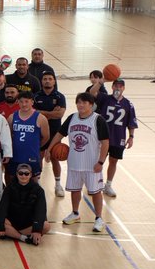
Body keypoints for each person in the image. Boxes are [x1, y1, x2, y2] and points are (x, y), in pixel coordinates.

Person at [45, 93, 109, 232]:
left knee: (96, 192)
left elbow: (105, 142)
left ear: (91, 105)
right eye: (78, 102)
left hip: (92, 165)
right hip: (74, 163)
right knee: (75, 190)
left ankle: (99, 218)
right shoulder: (72, 118)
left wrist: (101, 162)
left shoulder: (98, 120)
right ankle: (75, 213)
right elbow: (59, 134)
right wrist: (49, 149)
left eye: (84, 102)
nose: (81, 105)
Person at [90, 78, 137, 197]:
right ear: (112, 87)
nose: (118, 88)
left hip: (118, 137)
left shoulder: (128, 104)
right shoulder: (105, 98)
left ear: (123, 88)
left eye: (120, 86)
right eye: (116, 85)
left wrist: (131, 137)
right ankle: (94, 183)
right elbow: (92, 92)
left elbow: (131, 122)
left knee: (113, 161)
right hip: (102, 137)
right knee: (98, 160)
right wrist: (101, 82)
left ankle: (108, 185)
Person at [0, 163, 51, 246]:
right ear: (17, 174)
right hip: (12, 221)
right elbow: (2, 207)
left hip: (29, 223)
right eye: (21, 173)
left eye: (26, 173)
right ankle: (23, 237)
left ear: (30, 175)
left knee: (46, 226)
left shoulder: (38, 190)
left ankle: (12, 233)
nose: (23, 176)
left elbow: (41, 211)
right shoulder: (9, 188)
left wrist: (37, 230)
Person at [34, 71, 67, 196]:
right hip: (39, 132)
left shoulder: (60, 97)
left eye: (50, 79)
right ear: (41, 81)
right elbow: (33, 113)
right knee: (39, 157)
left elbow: (60, 114)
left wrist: (42, 113)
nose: (47, 81)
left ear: (54, 81)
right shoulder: (36, 96)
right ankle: (37, 184)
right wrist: (52, 113)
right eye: (45, 79)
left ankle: (58, 185)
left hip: (55, 132)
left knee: (55, 158)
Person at [7, 91, 50, 185]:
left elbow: (46, 137)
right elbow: (8, 136)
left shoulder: (41, 118)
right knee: (13, 182)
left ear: (32, 102)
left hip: (32, 156)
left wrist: (36, 146)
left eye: (26, 101)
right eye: (21, 101)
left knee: (33, 182)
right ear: (18, 102)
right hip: (15, 155)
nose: (24, 104)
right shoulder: (12, 117)